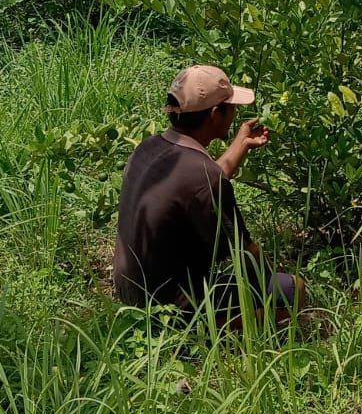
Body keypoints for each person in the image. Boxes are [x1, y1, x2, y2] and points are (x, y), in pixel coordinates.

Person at [111, 65, 302, 322]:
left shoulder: (149, 148)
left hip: (131, 296)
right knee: (293, 289)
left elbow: (199, 184)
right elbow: (246, 256)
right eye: (231, 106)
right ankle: (233, 340)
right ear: (214, 114)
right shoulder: (204, 178)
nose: (234, 113)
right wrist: (271, 278)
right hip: (172, 311)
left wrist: (240, 143)